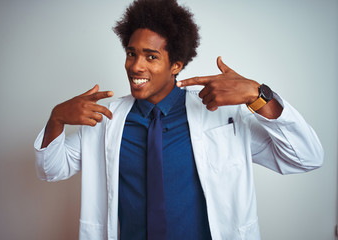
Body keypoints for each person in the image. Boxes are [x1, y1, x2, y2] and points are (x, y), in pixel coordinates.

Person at [34, 0, 324, 239]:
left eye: (151, 57)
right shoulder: (107, 120)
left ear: (176, 65)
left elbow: (306, 158)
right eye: (131, 53)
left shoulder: (222, 118)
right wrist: (57, 118)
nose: (136, 66)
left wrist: (257, 95)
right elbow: (51, 169)